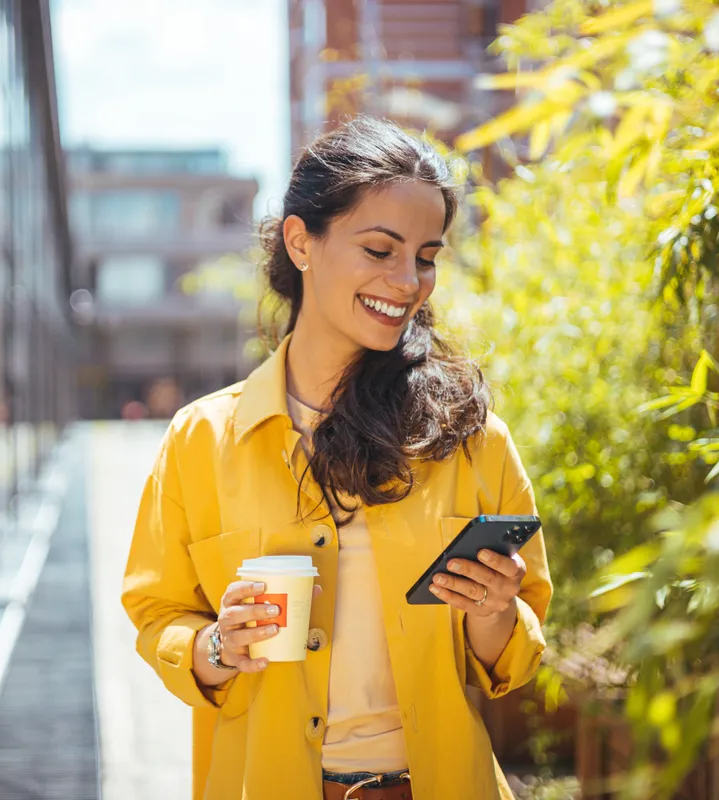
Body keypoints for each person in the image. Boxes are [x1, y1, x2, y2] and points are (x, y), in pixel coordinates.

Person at [122, 116, 552, 800]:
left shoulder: (471, 438)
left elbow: (521, 652)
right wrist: (216, 647)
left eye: (427, 255)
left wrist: (494, 611)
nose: (408, 281)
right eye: (380, 249)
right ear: (301, 241)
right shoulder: (201, 440)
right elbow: (158, 613)